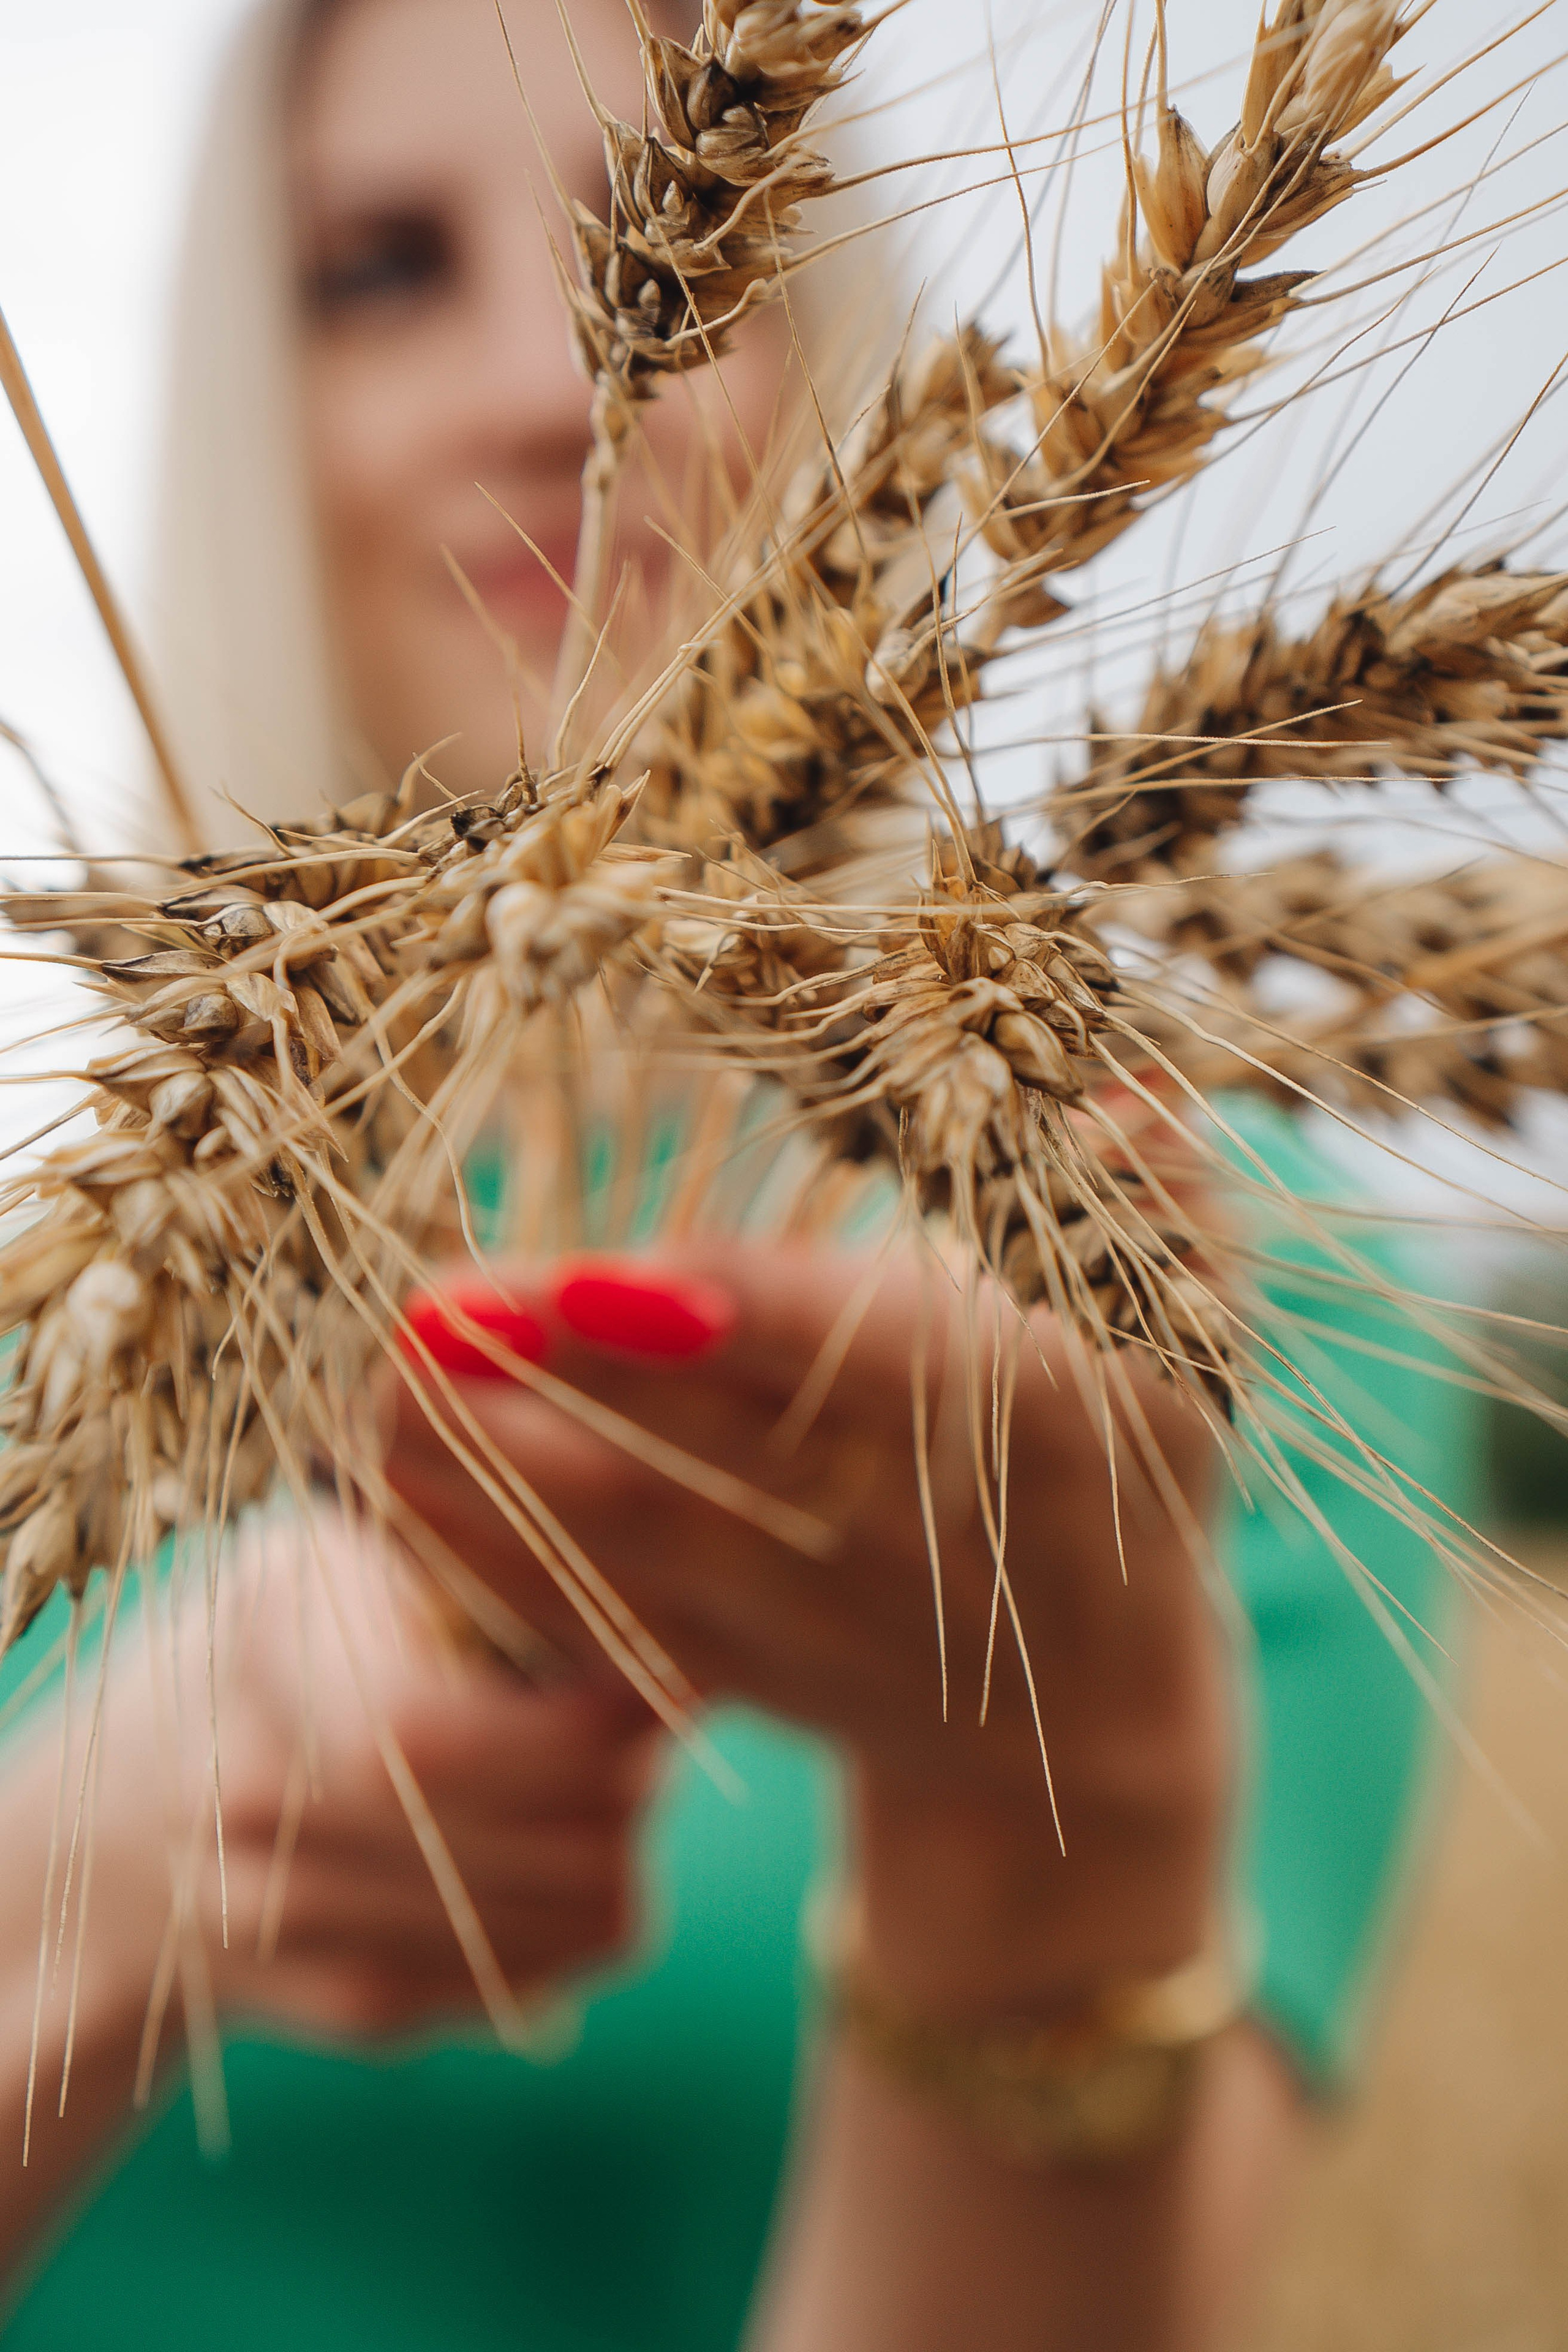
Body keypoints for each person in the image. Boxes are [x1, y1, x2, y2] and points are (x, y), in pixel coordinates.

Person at [0, 2, 1473, 2346]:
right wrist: (93, 1883)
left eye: (677, 249)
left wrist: (1038, 1828)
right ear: (239, 399)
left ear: (833, 353)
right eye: (384, 266)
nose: (548, 387)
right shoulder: (49, 1315)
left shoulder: (1185, 1277)